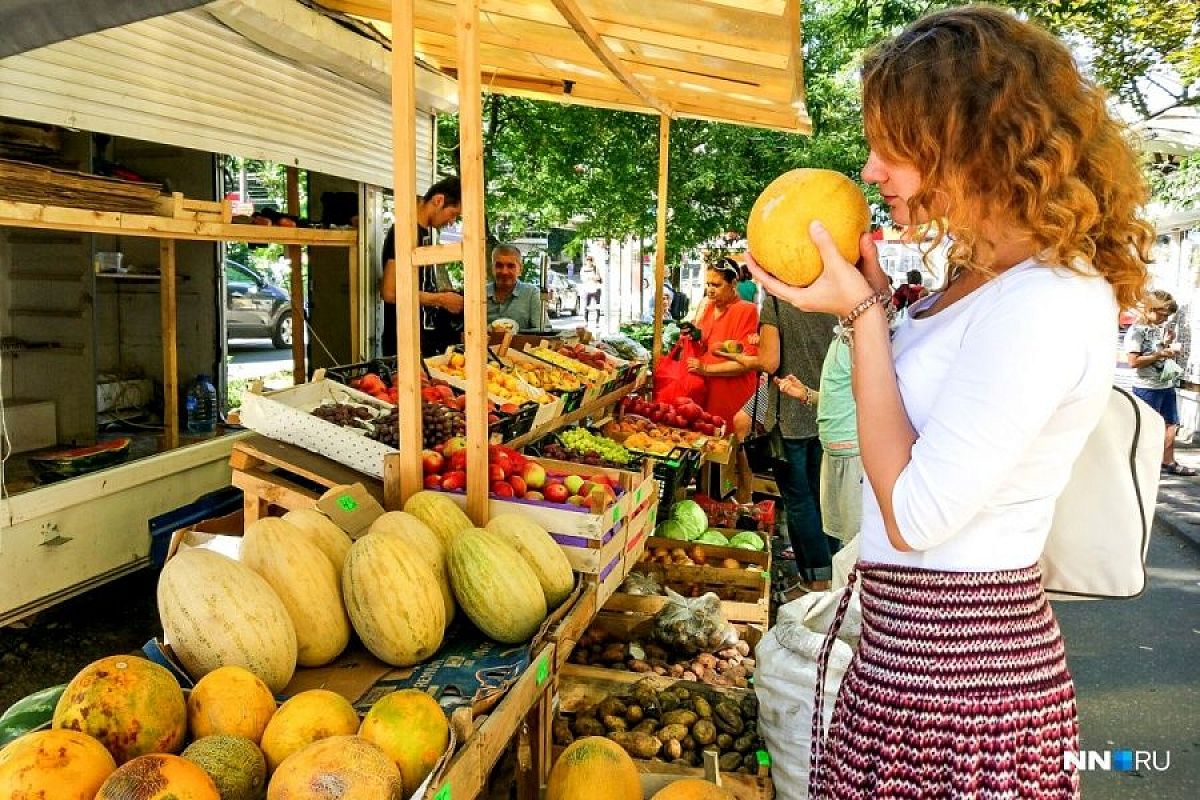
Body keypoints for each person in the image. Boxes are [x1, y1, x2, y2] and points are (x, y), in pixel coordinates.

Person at [747, 7, 1152, 797]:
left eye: (889, 145)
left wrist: (863, 318)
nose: (869, 171)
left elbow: (920, 512)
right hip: (902, 663)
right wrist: (865, 307)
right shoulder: (978, 281)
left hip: (965, 692)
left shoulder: (1049, 300)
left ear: (968, 140)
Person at [776, 324, 862, 556]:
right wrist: (806, 394)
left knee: (856, 545)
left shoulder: (864, 339)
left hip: (854, 455)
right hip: (834, 451)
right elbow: (839, 395)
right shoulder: (841, 337)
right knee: (843, 539)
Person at [379, 176, 463, 357]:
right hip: (403, 341)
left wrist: (444, 294)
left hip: (424, 339)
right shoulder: (403, 233)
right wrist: (440, 299)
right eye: (453, 214)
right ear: (438, 200)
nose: (452, 222)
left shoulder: (426, 233)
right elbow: (390, 292)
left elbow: (420, 283)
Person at [1125, 290, 1196, 476]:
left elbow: (1157, 353)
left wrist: (1166, 344)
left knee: (1170, 424)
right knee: (1146, 426)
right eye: (1161, 314)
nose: (1164, 319)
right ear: (1149, 309)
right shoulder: (1136, 332)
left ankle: (1168, 462)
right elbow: (1133, 362)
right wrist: (1159, 354)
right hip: (1146, 387)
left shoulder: (1156, 329)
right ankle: (1138, 465)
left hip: (1165, 384)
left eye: (1167, 316)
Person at [685, 259, 760, 426]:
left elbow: (747, 363)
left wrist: (706, 369)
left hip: (731, 396)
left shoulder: (746, 310)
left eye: (716, 285)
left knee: (729, 445)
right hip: (705, 394)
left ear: (733, 283)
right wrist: (694, 335)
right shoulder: (708, 307)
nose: (710, 290)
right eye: (708, 284)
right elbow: (704, 342)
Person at [486, 244, 542, 330]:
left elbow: (542, 330)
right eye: (499, 266)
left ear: (520, 269)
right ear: (492, 268)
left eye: (511, 266)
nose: (504, 272)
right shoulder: (480, 294)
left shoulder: (531, 294)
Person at [580, 256, 603, 325]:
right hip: (587, 289)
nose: (589, 262)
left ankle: (597, 321)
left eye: (590, 260)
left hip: (596, 289)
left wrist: (594, 278)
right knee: (586, 306)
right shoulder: (583, 269)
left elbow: (599, 277)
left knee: (597, 306)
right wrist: (590, 278)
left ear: (592, 261)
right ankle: (586, 321)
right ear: (586, 261)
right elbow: (583, 279)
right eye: (588, 260)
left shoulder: (595, 268)